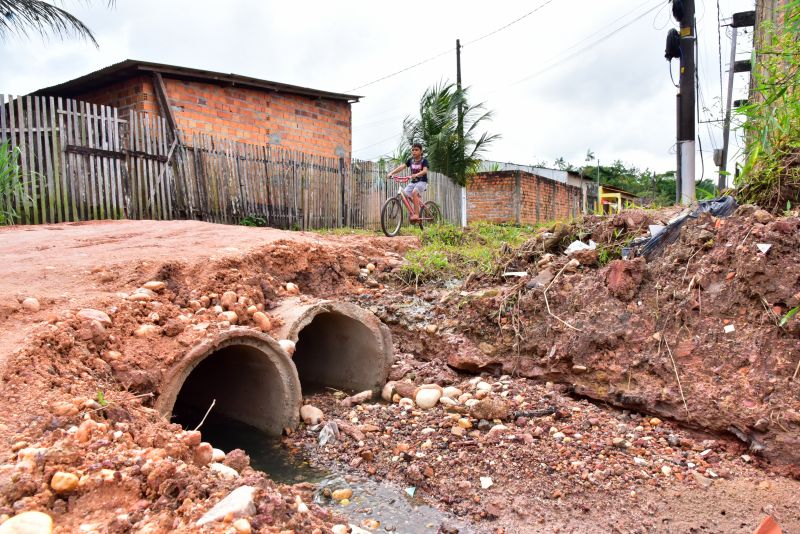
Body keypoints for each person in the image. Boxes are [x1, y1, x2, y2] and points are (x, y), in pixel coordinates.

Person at [387, 143, 429, 222]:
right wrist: (391, 173)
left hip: (422, 182)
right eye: (412, 150)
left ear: (421, 151)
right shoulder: (411, 160)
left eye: (416, 150)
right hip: (413, 183)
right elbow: (402, 167)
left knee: (414, 192)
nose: (414, 151)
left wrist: (416, 174)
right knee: (403, 195)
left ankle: (416, 214)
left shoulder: (424, 160)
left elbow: (425, 171)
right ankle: (412, 213)